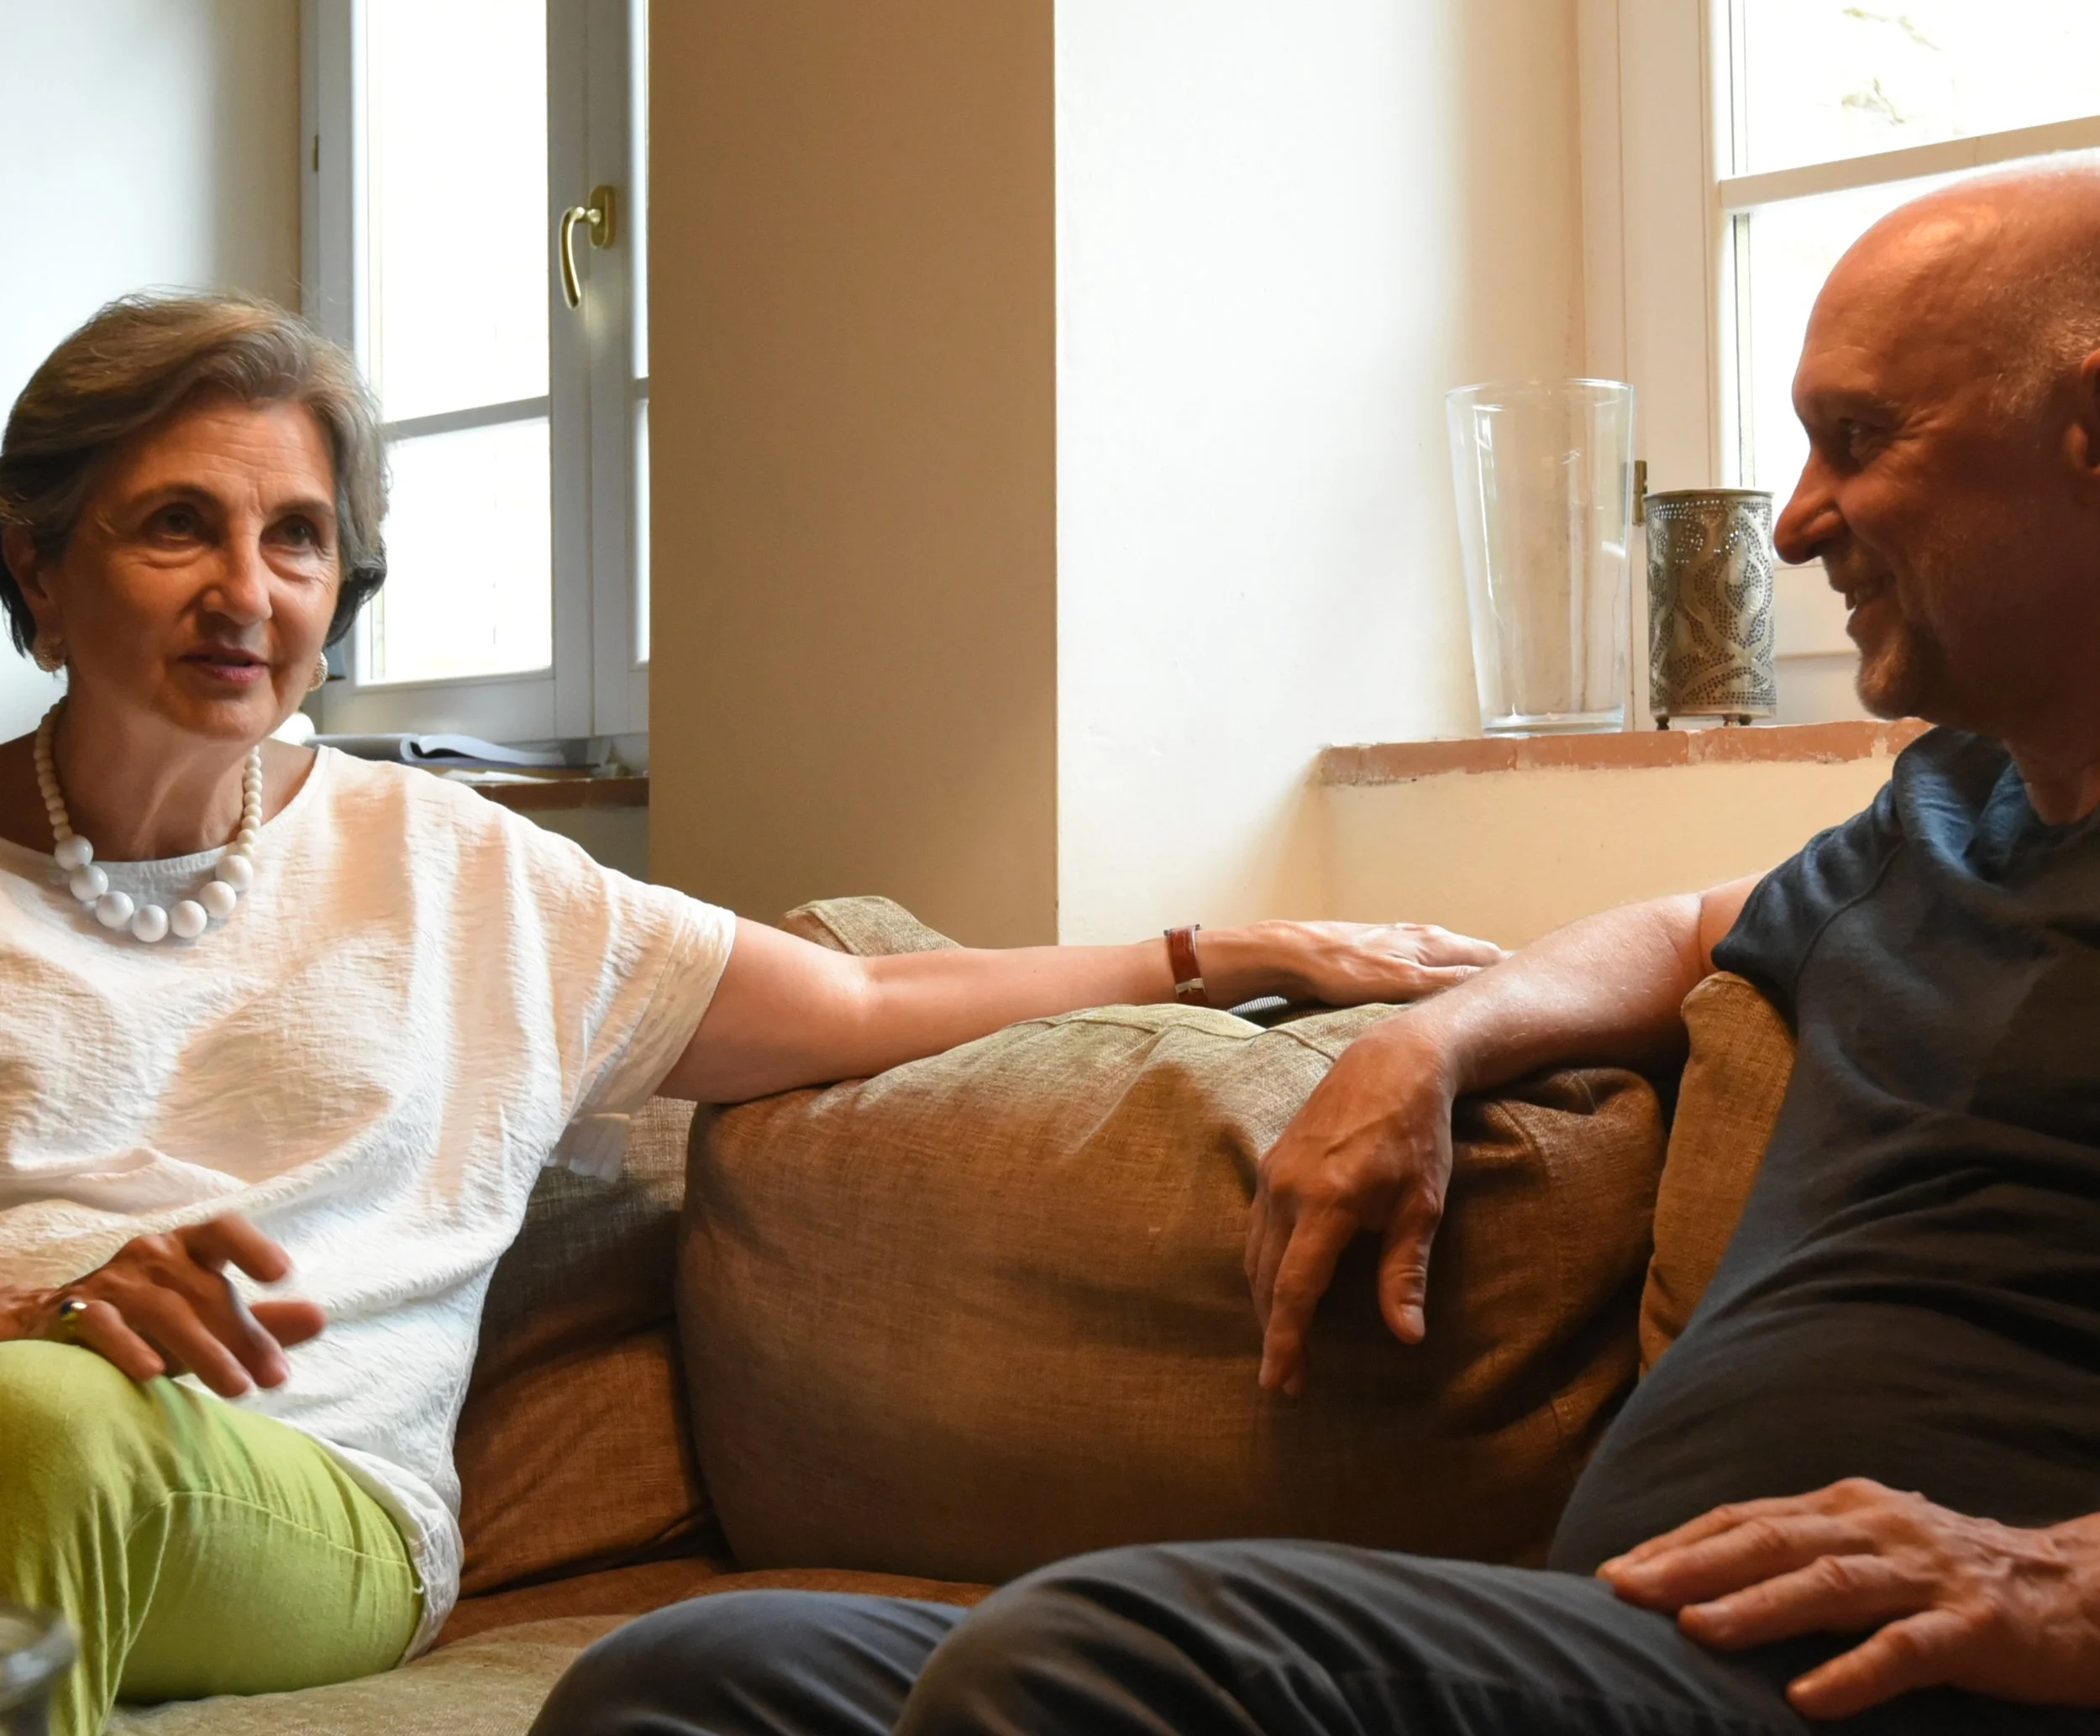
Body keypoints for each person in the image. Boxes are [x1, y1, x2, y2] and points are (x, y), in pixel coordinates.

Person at [530, 160, 2100, 1736]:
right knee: (705, 1680)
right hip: (1618, 1642)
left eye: (1862, 438)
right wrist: (1430, 1042)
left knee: (1099, 1652)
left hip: (1895, 1685)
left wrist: (2058, 1583)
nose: (1803, 516)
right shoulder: (1949, 817)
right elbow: (1687, 930)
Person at [0, 291, 1505, 1736]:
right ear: (41, 566)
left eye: (299, 539)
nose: (246, 592)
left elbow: (855, 996)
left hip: (302, 1487)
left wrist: (1223, 945)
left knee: (51, 1433)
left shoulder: (454, 871)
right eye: (179, 524)